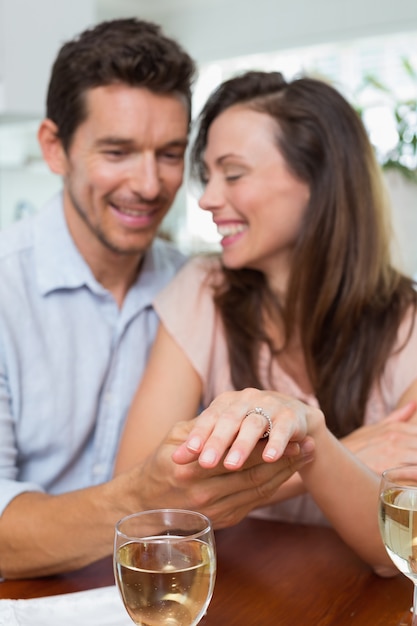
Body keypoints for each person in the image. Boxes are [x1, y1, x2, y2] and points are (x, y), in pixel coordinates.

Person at [0, 25, 314, 580]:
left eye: (170, 154)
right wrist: (139, 499)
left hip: (166, 590)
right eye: (117, 152)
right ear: (55, 147)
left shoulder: (202, 285)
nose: (148, 185)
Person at [115, 70, 417, 574]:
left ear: (318, 181)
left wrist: (302, 448)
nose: (208, 198)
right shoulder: (202, 292)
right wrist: (323, 452)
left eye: (232, 174)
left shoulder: (407, 323)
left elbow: (398, 552)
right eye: (207, 176)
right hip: (242, 589)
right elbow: (144, 502)